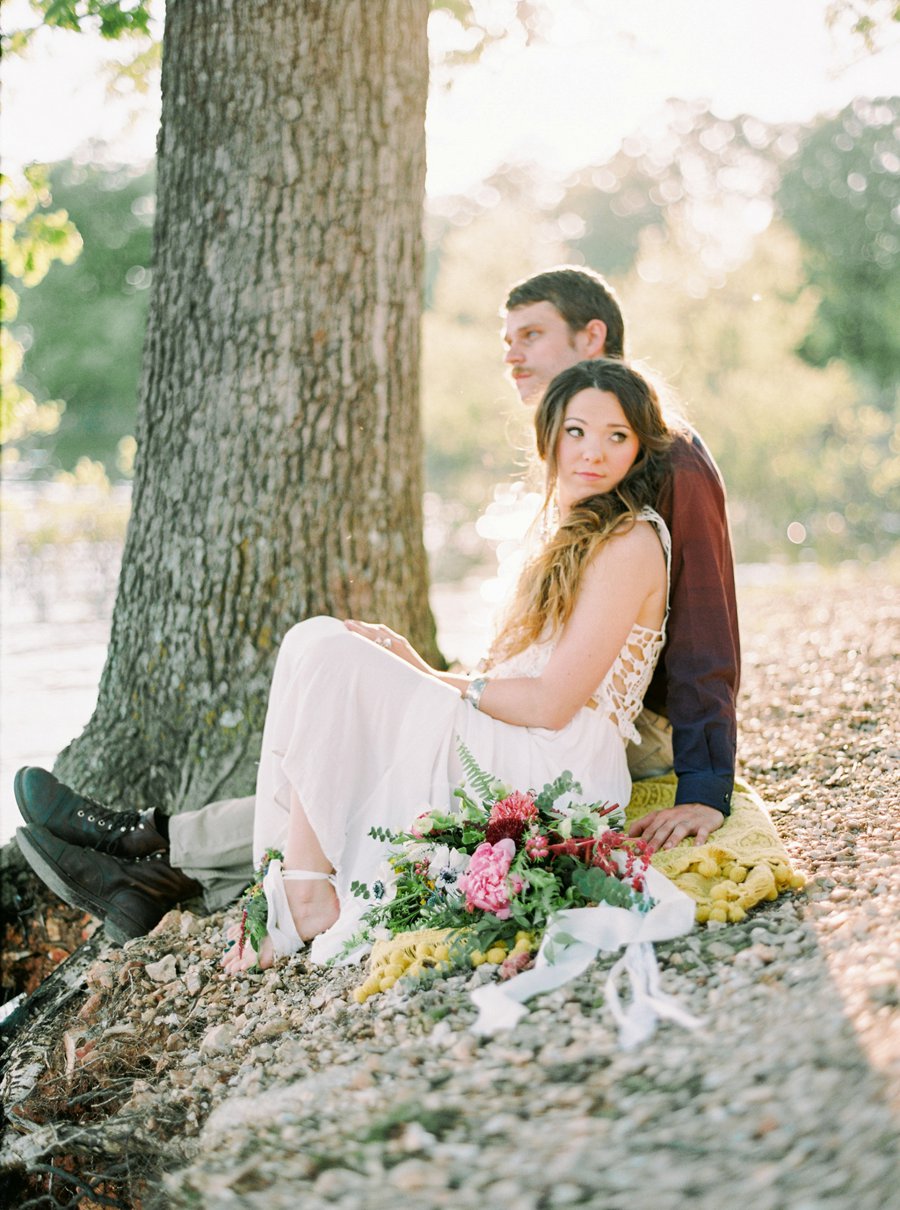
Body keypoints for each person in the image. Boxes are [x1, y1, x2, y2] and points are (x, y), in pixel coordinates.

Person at [14, 266, 739, 942]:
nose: (513, 358)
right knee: (350, 691)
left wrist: (706, 785)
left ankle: (159, 846)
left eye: (532, 337)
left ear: (592, 339)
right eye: (507, 342)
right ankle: (158, 861)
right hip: (550, 700)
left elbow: (703, 630)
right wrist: (438, 678)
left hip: (626, 726)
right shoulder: (576, 489)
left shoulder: (666, 466)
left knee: (367, 709)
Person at [220, 358, 675, 972]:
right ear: (549, 436)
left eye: (616, 436)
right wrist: (420, 676)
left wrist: (427, 675)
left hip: (557, 761)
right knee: (312, 641)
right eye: (576, 431)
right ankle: (297, 878)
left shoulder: (630, 542)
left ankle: (305, 897)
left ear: (639, 447)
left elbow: (551, 702)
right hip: (515, 734)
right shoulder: (560, 531)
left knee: (332, 655)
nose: (593, 451)